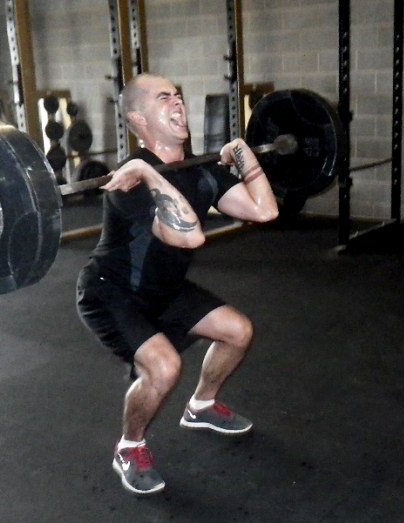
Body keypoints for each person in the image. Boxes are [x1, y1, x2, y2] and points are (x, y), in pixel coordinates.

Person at [76, 73, 279, 495]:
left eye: (178, 96)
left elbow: (264, 210)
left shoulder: (200, 170)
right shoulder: (128, 181)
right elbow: (189, 237)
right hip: (111, 292)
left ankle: (201, 405)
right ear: (138, 118)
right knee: (164, 368)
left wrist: (244, 156)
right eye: (164, 97)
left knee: (238, 331)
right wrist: (147, 173)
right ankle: (130, 447)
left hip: (163, 289)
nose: (178, 102)